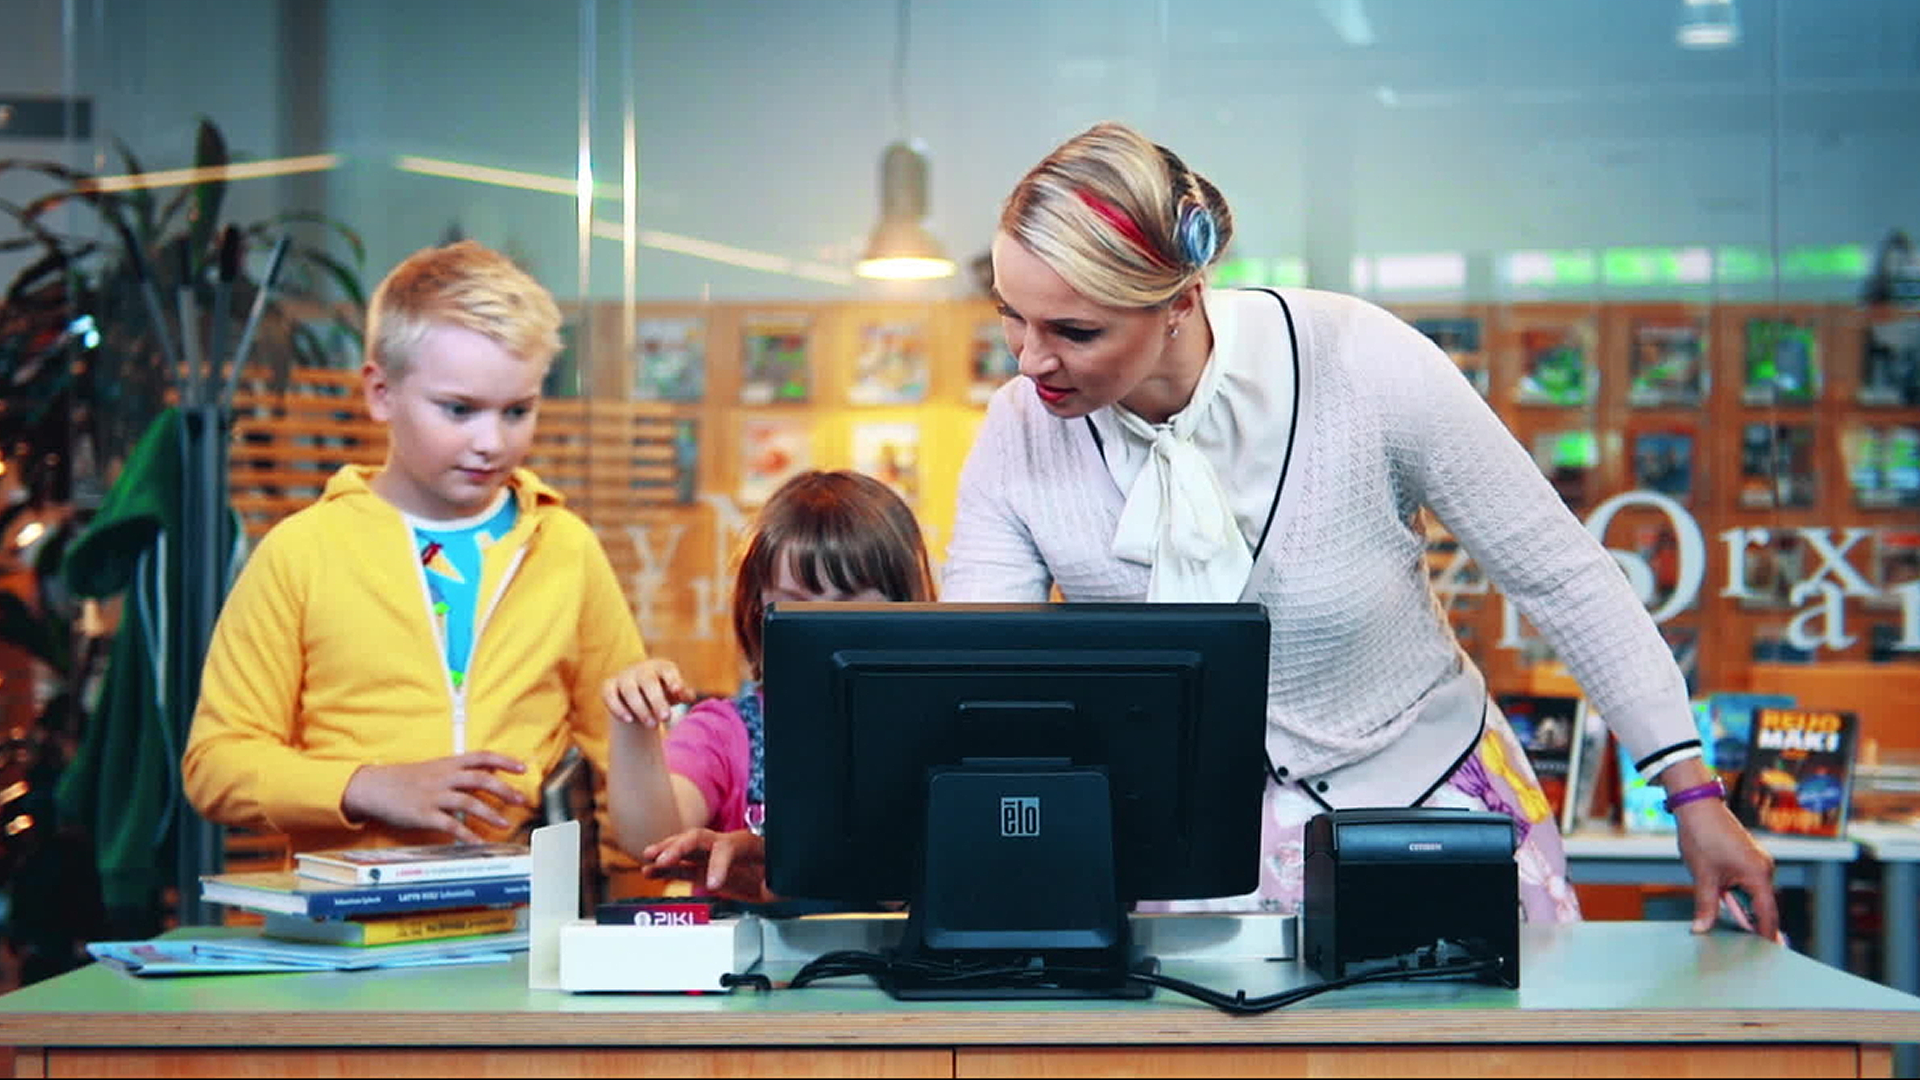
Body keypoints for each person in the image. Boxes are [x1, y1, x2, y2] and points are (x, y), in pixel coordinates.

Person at [941, 121, 1780, 936]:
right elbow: (976, 677)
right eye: (1012, 315)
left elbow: (1559, 575)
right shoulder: (1018, 431)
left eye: (1075, 331)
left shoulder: (1361, 361)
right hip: (1194, 856)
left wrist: (1692, 793)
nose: (1028, 359)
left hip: (1432, 814)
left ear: (1180, 302)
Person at [183, 240, 652, 867]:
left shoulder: (566, 548)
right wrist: (366, 786)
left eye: (518, 410)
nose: (492, 441)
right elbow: (215, 764)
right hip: (350, 915)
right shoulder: (301, 553)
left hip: (520, 913)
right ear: (381, 393)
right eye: (459, 409)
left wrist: (640, 906)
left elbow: (623, 758)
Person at [603, 469, 935, 902]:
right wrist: (635, 720)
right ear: (757, 611)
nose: (820, 634)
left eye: (848, 607)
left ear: (907, 609)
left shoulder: (932, 732)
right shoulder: (726, 732)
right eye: (793, 608)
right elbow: (654, 838)